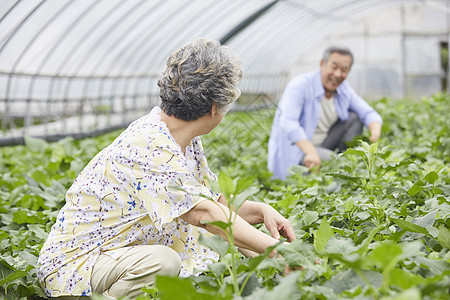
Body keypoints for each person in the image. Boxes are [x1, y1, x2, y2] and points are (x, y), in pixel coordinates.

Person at [37, 38, 295, 299]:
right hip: (77, 268)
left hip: (119, 254)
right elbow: (205, 214)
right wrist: (282, 252)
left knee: (209, 249)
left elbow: (210, 203)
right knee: (164, 262)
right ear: (215, 107)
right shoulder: (148, 143)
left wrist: (262, 212)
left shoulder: (184, 141)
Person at [267, 46, 382, 180]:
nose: (338, 74)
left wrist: (375, 134)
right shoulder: (300, 85)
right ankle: (337, 167)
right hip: (299, 150)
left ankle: (339, 163)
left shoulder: (343, 90)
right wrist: (310, 151)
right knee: (343, 165)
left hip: (324, 144)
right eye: (334, 67)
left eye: (344, 70)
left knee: (354, 119)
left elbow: (369, 113)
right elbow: (288, 122)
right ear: (322, 64)